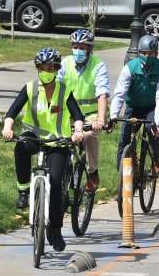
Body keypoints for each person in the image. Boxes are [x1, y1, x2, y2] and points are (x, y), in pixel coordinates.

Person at [2, 48, 84, 252]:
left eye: (50, 68)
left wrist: (78, 132)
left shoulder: (64, 90)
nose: (45, 71)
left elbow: (77, 115)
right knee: (21, 147)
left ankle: (55, 231)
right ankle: (23, 191)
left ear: (56, 70)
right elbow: (13, 111)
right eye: (42, 68)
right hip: (34, 136)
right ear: (37, 69)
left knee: (56, 185)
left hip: (58, 142)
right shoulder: (30, 88)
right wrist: (8, 127)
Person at [56, 29, 110, 193]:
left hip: (90, 115)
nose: (78, 50)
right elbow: (55, 87)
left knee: (88, 134)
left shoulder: (98, 65)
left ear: (89, 49)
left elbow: (102, 94)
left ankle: (92, 172)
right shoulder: (65, 63)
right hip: (68, 113)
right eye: (75, 46)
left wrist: (100, 120)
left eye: (82, 47)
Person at [110, 34, 159, 174]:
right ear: (138, 52)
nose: (147, 56)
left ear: (156, 54)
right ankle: (122, 179)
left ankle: (156, 158)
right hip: (133, 106)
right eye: (143, 53)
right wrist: (113, 117)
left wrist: (158, 123)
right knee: (124, 139)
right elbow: (119, 94)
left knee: (151, 128)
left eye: (150, 53)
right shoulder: (130, 67)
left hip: (151, 107)